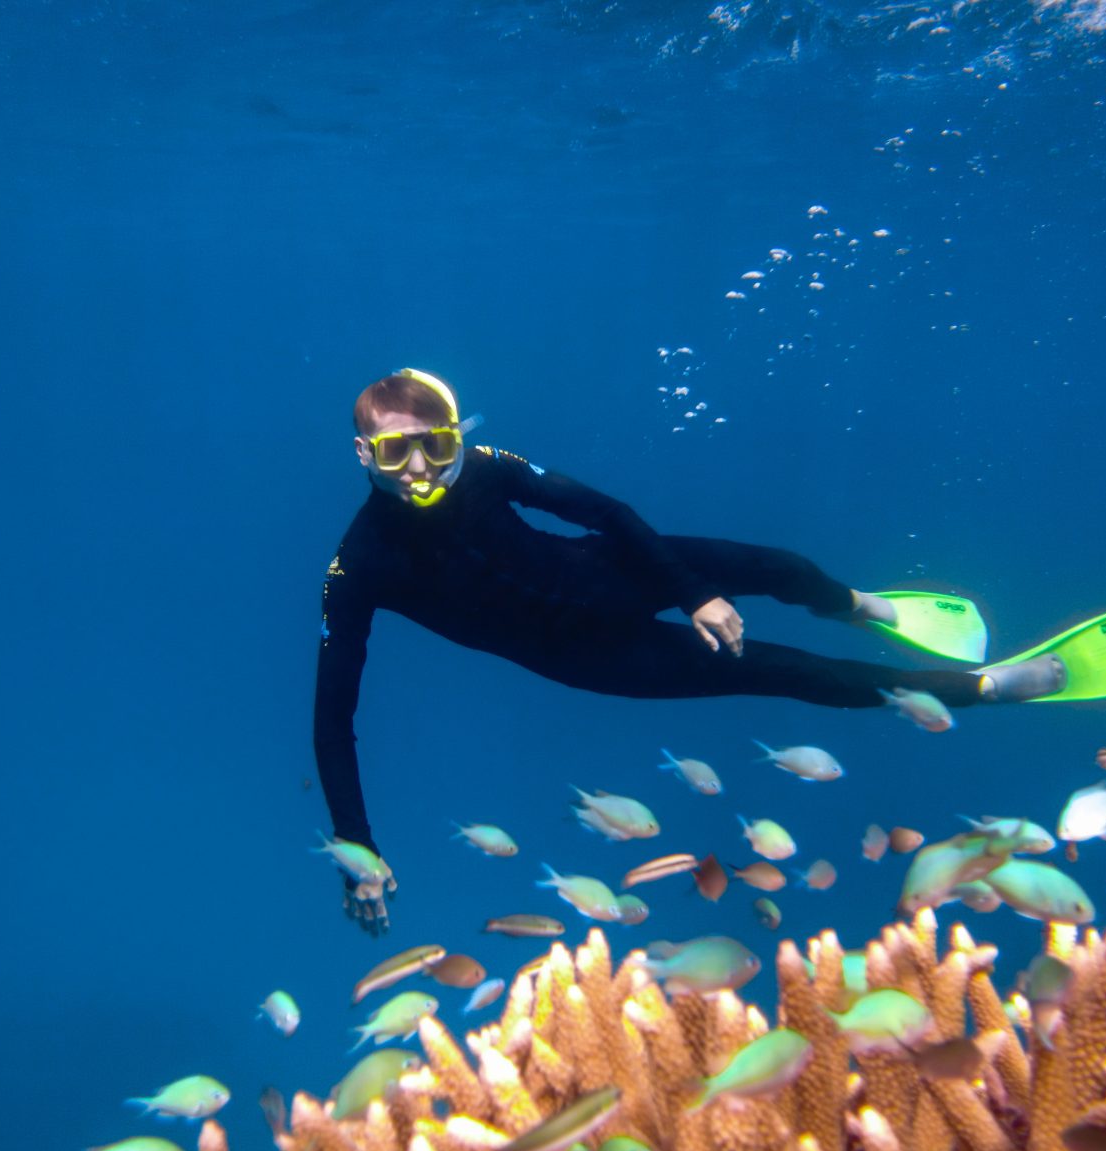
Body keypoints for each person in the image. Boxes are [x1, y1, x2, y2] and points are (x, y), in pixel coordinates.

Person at [314, 369, 1065, 934]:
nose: (419, 467)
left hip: (615, 575)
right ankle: (983, 688)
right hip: (595, 656)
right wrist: (357, 844)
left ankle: (862, 606)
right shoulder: (360, 564)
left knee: (778, 566)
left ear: (459, 437)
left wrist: (689, 590)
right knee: (789, 673)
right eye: (394, 451)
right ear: (362, 453)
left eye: (436, 445)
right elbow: (332, 717)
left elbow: (605, 512)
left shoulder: (488, 466)